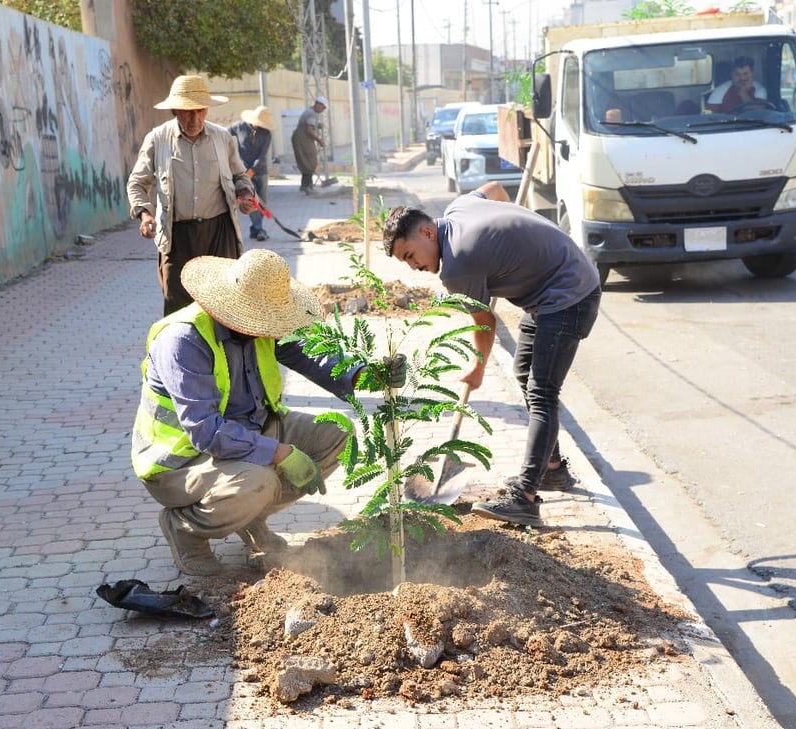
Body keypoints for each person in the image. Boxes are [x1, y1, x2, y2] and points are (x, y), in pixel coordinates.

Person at [131, 248, 406, 576]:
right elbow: (206, 431)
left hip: (248, 430)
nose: (270, 328)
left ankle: (249, 518)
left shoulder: (262, 327)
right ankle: (185, 529)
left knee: (337, 435)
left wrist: (362, 374)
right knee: (258, 481)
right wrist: (280, 453)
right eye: (261, 319)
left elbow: (309, 353)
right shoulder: (183, 342)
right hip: (182, 461)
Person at [382, 182, 601, 528]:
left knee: (542, 392)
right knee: (524, 371)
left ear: (426, 232)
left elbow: (485, 323)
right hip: (550, 289)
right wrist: (512, 241)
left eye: (410, 256)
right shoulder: (458, 208)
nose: (413, 267)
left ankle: (524, 499)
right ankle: (552, 469)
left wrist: (478, 367)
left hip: (569, 295)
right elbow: (496, 190)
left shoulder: (458, 266)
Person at [126, 74, 257, 316]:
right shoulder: (158, 139)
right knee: (178, 311)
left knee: (224, 308)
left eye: (200, 111)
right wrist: (145, 215)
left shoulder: (222, 138)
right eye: (187, 112)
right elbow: (137, 182)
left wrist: (245, 194)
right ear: (175, 111)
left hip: (218, 234)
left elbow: (240, 175)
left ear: (206, 110)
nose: (194, 119)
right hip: (177, 238)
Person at [228, 105, 274, 242]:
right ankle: (259, 229)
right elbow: (223, 135)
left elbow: (262, 155)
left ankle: (255, 229)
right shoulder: (239, 127)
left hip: (260, 171)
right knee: (251, 201)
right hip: (243, 171)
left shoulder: (266, 134)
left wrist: (252, 171)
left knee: (262, 202)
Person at [291, 95, 327, 195]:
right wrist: (319, 140)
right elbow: (308, 130)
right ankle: (306, 186)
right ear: (318, 104)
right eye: (323, 107)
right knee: (309, 160)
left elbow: (309, 125)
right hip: (302, 137)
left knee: (308, 161)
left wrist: (317, 125)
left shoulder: (310, 112)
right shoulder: (312, 113)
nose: (323, 110)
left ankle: (307, 185)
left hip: (302, 136)